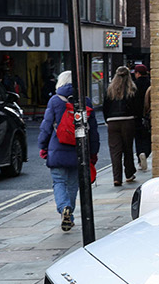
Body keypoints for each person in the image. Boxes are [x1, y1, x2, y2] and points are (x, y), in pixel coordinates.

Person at [39, 70, 101, 232]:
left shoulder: (54, 101)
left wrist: (42, 147)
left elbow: (46, 127)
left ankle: (64, 208)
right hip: (79, 151)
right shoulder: (85, 101)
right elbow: (93, 132)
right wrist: (93, 153)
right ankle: (69, 213)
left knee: (59, 182)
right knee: (73, 184)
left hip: (57, 149)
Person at [101, 65, 140, 187]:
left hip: (112, 122)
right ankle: (129, 174)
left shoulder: (109, 90)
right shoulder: (132, 89)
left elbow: (105, 107)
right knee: (128, 149)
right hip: (128, 121)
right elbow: (136, 107)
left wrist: (107, 120)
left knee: (115, 151)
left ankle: (117, 178)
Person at [132, 62, 152, 172]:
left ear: (138, 73)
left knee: (138, 138)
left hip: (137, 116)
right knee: (148, 138)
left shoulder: (134, 86)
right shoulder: (150, 84)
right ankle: (146, 153)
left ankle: (140, 157)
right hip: (148, 116)